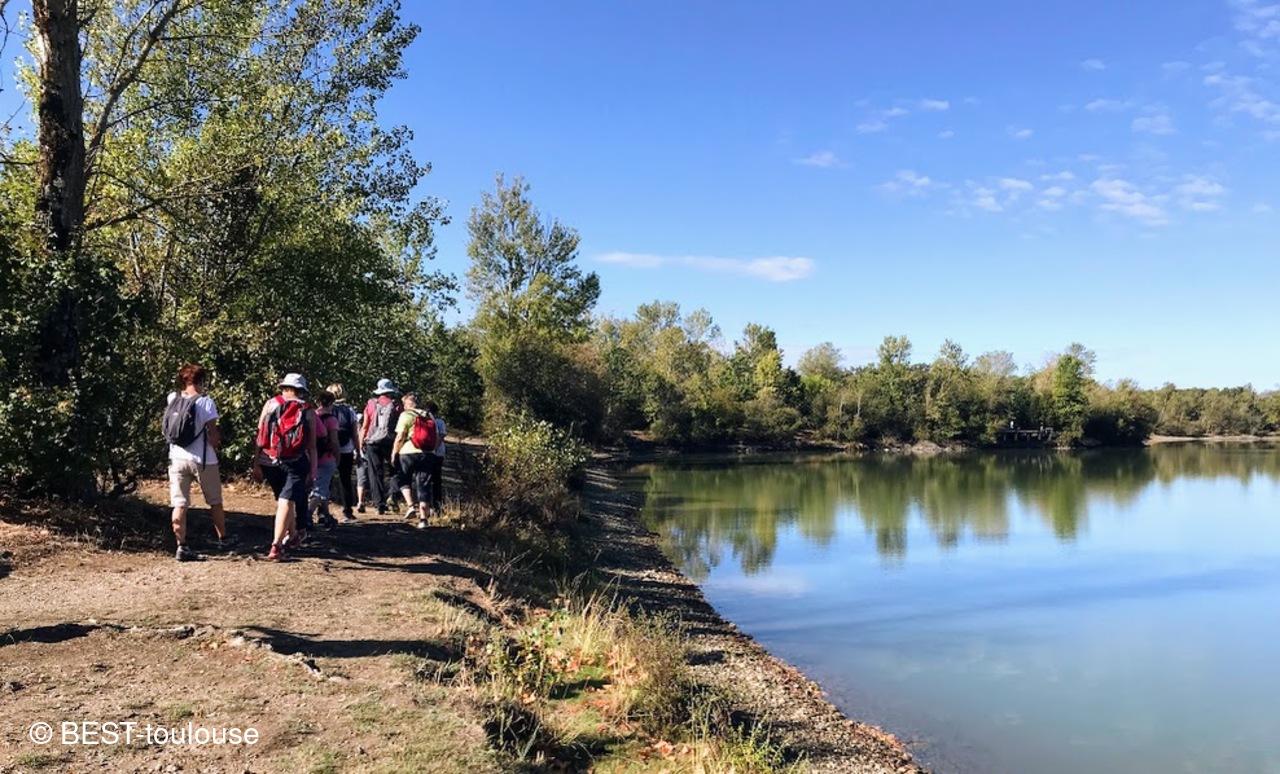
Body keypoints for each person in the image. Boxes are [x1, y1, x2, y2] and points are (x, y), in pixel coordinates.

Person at [163, 364, 236, 561]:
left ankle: (181, 546)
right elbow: (213, 436)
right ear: (202, 381)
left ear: (183, 380)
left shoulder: (172, 398)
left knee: (179, 503)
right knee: (215, 501)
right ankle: (223, 538)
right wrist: (217, 442)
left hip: (177, 458)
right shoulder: (206, 402)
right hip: (203, 459)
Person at [253, 373, 318, 561]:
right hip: (295, 461)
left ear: (284, 387)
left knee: (284, 500)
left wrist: (256, 463)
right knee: (286, 501)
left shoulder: (270, 404)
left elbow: (260, 435)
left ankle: (294, 535)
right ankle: (277, 546)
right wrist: (313, 471)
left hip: (269, 460)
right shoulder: (307, 410)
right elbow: (312, 445)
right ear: (301, 390)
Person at [390, 393, 434, 529]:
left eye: (404, 404)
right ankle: (424, 519)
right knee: (424, 485)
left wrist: (394, 453)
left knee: (403, 478)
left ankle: (410, 506)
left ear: (408, 404)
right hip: (427, 453)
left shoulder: (406, 415)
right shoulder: (429, 415)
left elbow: (400, 437)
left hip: (408, 452)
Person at [360, 378, 401, 515]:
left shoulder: (371, 404)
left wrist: (361, 442)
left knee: (375, 472)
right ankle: (392, 494)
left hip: (372, 442)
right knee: (395, 469)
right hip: (390, 441)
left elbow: (365, 425)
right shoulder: (396, 405)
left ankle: (379, 504)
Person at [326, 382, 361, 521]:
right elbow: (355, 433)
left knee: (325, 480)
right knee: (345, 479)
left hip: (328, 448)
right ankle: (348, 511)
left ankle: (322, 511)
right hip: (346, 448)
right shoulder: (350, 410)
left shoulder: (327, 410)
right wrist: (358, 451)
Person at [308, 391, 342, 531]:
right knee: (320, 489)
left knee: (323, 487)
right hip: (327, 457)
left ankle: (326, 515)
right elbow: (334, 441)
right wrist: (338, 456)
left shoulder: (313, 415)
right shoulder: (331, 419)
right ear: (332, 403)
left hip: (312, 456)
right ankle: (307, 515)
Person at [424, 400, 447, 518]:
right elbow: (442, 435)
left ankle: (432, 505)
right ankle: (435, 506)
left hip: (430, 453)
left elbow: (441, 436)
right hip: (437, 454)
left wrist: (432, 448)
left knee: (430, 480)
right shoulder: (439, 421)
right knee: (435, 480)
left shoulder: (428, 421)